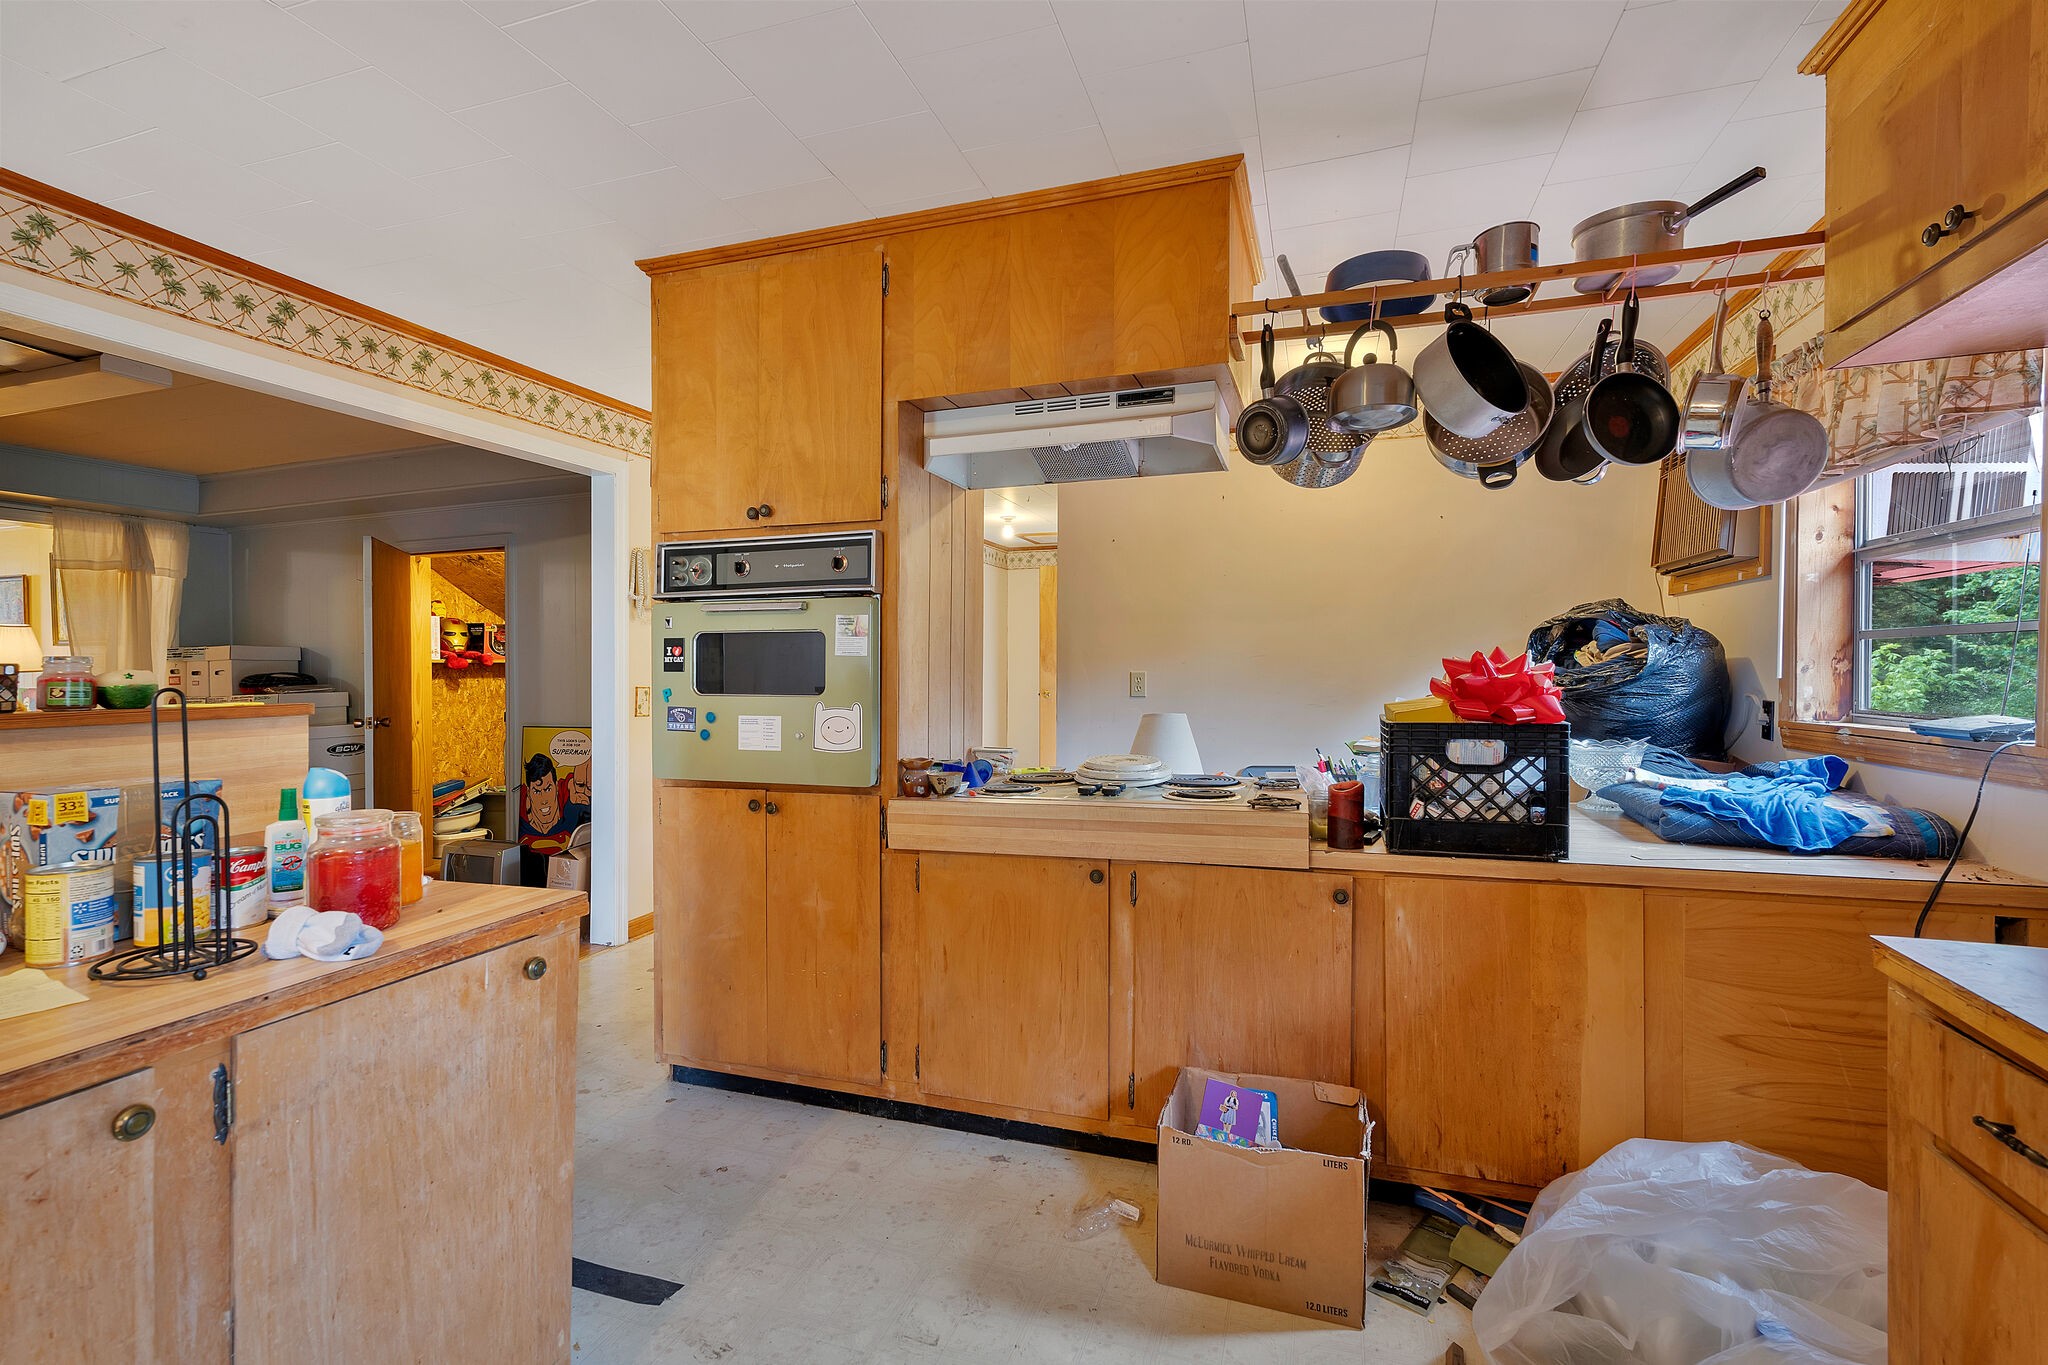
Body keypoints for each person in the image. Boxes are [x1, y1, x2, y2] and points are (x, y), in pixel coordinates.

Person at [519, 752, 590, 853]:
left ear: (556, 787)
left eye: (548, 789)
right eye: (537, 791)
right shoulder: (517, 808)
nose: (544, 800)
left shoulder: (573, 807)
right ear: (529, 792)